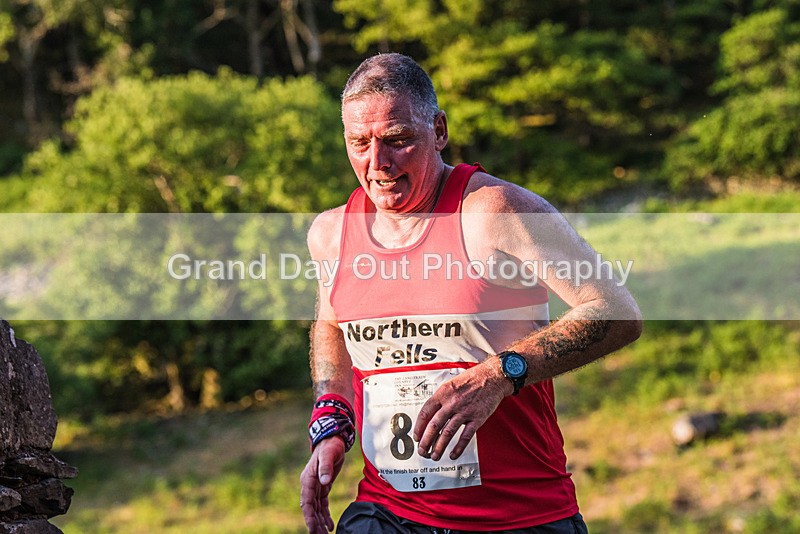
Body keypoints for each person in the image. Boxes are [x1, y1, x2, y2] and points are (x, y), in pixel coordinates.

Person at [300, 53, 642, 533]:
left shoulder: (494, 212)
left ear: (439, 130)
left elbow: (617, 311)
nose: (377, 164)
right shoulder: (332, 233)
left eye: (398, 141)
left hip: (518, 516)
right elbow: (332, 324)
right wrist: (331, 418)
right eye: (359, 143)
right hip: (389, 512)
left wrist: (500, 375)